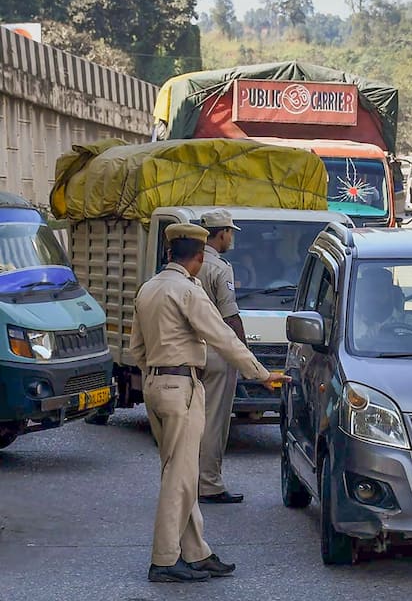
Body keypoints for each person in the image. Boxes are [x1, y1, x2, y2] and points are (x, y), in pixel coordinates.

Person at [130, 223, 287, 583]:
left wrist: (156, 377)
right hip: (181, 386)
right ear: (199, 258)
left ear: (170, 253)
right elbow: (223, 337)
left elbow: (137, 348)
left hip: (156, 384)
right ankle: (165, 559)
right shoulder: (187, 290)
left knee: (180, 471)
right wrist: (261, 374)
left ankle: (196, 552)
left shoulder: (148, 289)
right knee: (180, 477)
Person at [197, 210, 246, 505]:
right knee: (214, 421)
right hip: (216, 351)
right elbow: (231, 315)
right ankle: (210, 484)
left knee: (192, 422)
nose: (232, 237)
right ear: (222, 233)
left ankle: (188, 480)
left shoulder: (187, 262)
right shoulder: (220, 268)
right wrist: (243, 353)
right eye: (231, 232)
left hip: (189, 350)